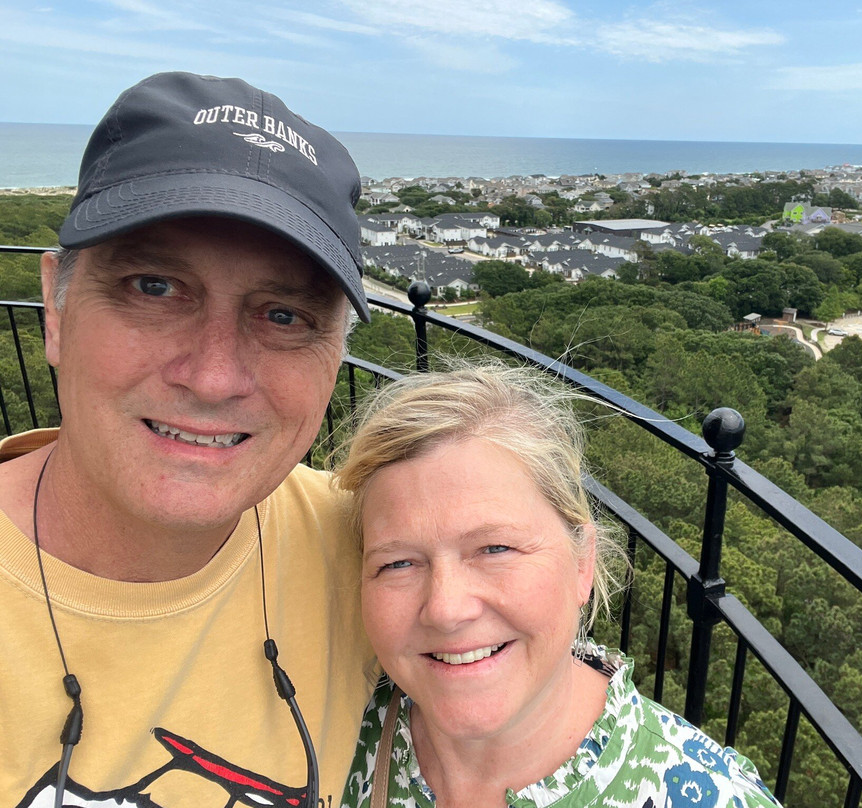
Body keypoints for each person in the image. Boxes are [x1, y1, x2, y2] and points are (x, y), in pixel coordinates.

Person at [0, 72, 375, 807]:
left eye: (285, 316)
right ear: (55, 307)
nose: (213, 376)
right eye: (154, 287)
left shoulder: (377, 549)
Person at [334, 363, 781, 808]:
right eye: (398, 563)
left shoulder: (709, 796)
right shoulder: (331, 724)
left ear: (582, 563)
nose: (447, 609)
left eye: (495, 549)